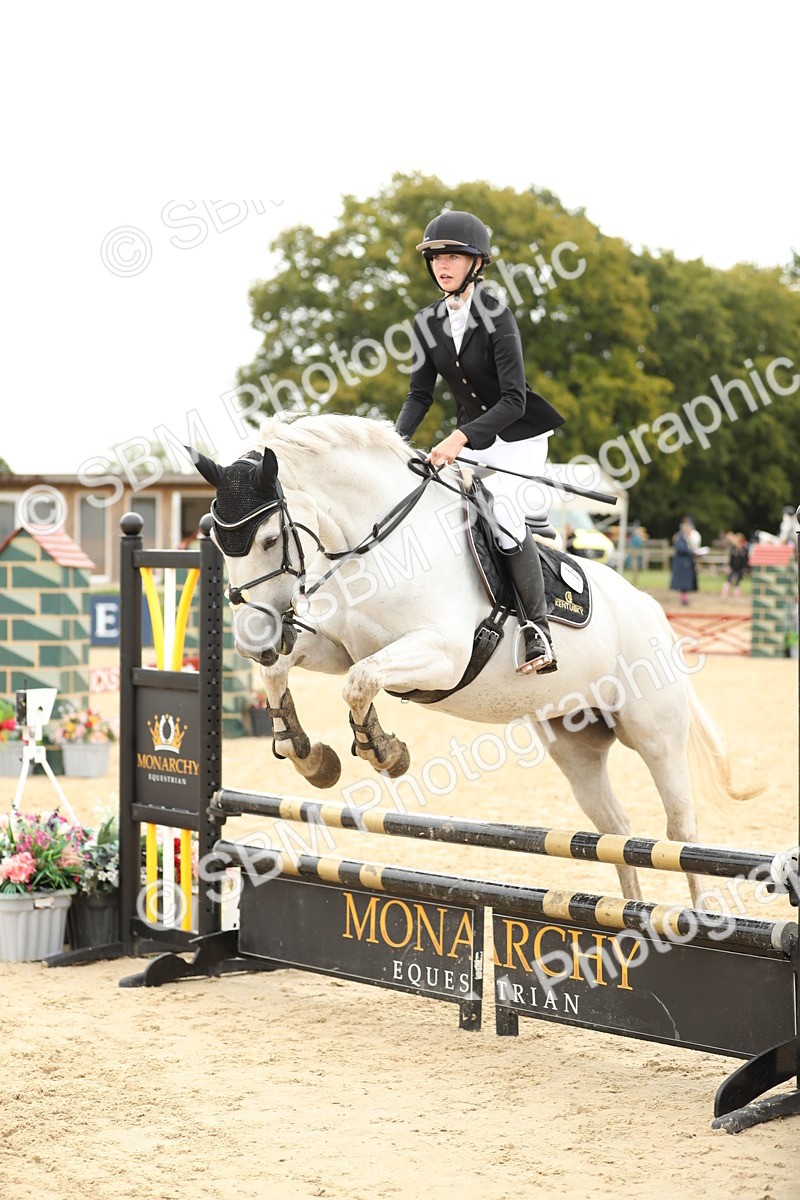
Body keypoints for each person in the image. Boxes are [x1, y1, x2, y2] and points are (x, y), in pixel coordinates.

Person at [394, 210, 566, 674]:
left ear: (476, 263)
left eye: (453, 256)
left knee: (502, 512)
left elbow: (514, 399)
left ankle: (537, 631)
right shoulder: (426, 322)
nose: (442, 265)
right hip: (472, 439)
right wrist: (392, 445)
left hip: (518, 436)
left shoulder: (497, 316)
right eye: (436, 257)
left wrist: (459, 437)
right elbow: (419, 396)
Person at [670, 520, 698, 605]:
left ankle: (684, 599)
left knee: (685, 584)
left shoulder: (686, 540)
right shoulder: (681, 539)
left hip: (686, 565)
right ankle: (684, 599)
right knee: (683, 583)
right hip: (682, 565)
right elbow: (680, 549)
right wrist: (691, 552)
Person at [721, 533, 749, 600]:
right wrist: (729, 566)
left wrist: (744, 568)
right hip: (733, 567)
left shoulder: (744, 550)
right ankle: (724, 595)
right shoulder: (733, 549)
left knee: (737, 583)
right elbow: (731, 559)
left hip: (740, 568)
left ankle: (736, 596)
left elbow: (745, 560)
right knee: (728, 580)